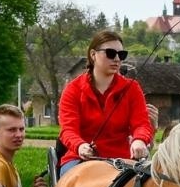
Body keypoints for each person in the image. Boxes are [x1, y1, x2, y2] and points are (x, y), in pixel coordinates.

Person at [56, 30, 154, 175]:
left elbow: (141, 124)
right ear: (93, 55)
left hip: (122, 160)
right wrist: (80, 146)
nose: (117, 59)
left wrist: (139, 140)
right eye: (110, 53)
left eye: (121, 55)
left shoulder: (132, 88)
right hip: (80, 159)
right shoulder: (73, 90)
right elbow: (68, 130)